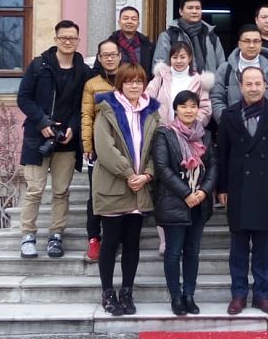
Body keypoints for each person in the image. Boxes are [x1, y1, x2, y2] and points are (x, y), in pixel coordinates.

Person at [217, 66, 268, 316]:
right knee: (238, 248)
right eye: (248, 84)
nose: (253, 88)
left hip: (266, 187)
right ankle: (238, 294)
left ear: (265, 85)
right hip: (238, 187)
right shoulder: (229, 115)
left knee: (263, 248)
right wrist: (222, 187)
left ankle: (262, 295)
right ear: (240, 87)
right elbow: (222, 155)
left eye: (258, 83)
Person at [17, 20, 92, 259]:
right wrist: (42, 122)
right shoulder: (39, 66)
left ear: (78, 40)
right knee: (34, 190)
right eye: (63, 38)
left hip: (66, 140)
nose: (68, 42)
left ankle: (56, 235)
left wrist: (73, 128)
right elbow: (23, 98)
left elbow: (83, 105)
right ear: (56, 39)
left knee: (61, 191)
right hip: (37, 137)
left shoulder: (84, 71)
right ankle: (28, 236)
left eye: (72, 38)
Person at [92, 63, 160, 316]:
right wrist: (129, 174)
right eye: (129, 81)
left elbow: (156, 148)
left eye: (139, 81)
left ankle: (127, 292)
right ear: (120, 84)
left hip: (139, 188)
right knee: (110, 241)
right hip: (114, 185)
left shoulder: (151, 112)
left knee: (132, 242)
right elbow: (105, 148)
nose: (134, 86)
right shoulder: (107, 109)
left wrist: (147, 174)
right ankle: (108, 293)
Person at [152, 90, 217, 316]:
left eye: (193, 106)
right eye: (184, 106)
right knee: (173, 252)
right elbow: (162, 168)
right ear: (175, 109)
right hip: (174, 201)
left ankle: (189, 295)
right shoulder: (164, 133)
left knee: (192, 251)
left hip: (199, 202)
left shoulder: (205, 135)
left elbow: (213, 165)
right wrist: (186, 193)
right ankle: (176, 296)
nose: (189, 110)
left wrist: (204, 191)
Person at [146, 41, 214, 255]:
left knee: (188, 182)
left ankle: (188, 235)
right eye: (175, 56)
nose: (178, 60)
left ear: (190, 58)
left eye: (183, 56)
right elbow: (147, 100)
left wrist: (190, 124)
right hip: (164, 135)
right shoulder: (161, 77)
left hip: (191, 138)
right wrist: (160, 124)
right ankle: (165, 239)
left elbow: (205, 108)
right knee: (164, 188)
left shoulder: (199, 81)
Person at [80, 39, 122, 262]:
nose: (109, 58)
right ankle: (94, 238)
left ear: (120, 56)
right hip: (99, 147)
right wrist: (87, 145)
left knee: (121, 193)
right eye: (105, 55)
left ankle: (115, 238)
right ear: (99, 58)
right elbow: (87, 116)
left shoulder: (129, 79)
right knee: (96, 193)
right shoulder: (92, 84)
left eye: (113, 54)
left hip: (124, 147)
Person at [210, 24, 268, 124]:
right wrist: (228, 122)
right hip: (232, 126)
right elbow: (216, 99)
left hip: (266, 127)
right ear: (239, 44)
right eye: (247, 41)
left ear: (261, 44)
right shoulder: (225, 69)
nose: (251, 45)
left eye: (256, 41)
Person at [153, 0, 226, 74]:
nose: (194, 11)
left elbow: (222, 68)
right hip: (177, 81)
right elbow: (160, 67)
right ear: (181, 11)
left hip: (208, 82)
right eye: (190, 8)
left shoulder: (212, 37)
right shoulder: (168, 36)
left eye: (198, 8)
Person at [106, 6, 155, 81]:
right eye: (125, 18)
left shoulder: (148, 45)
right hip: (114, 83)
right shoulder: (110, 43)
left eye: (133, 19)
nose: (129, 21)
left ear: (138, 24)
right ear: (119, 22)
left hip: (140, 84)